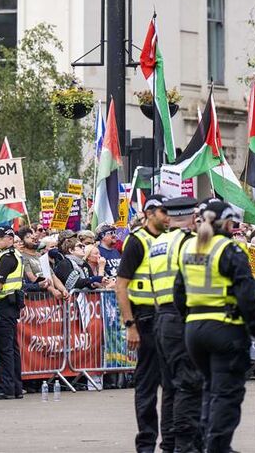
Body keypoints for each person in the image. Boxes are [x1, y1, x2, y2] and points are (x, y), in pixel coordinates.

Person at [174, 199, 255, 453]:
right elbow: (247, 296)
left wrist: (189, 317)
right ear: (226, 222)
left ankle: (205, 443)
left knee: (209, 389)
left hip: (194, 329)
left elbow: (179, 292)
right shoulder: (229, 250)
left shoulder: (188, 247)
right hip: (225, 328)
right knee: (227, 394)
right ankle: (217, 446)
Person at [114, 194, 175, 453]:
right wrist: (130, 325)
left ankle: (171, 442)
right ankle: (147, 443)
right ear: (150, 213)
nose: (168, 216)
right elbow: (121, 285)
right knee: (148, 385)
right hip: (146, 318)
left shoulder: (172, 240)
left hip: (169, 318)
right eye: (163, 211)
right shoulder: (137, 242)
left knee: (173, 384)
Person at [153, 196, 206, 453]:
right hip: (181, 316)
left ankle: (170, 444)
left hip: (161, 317)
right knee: (189, 384)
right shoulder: (188, 243)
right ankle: (186, 445)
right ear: (193, 215)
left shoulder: (159, 242)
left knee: (171, 388)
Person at [0, 226, 24, 399]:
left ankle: (5, 388)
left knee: (4, 349)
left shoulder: (6, 258)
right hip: (10, 304)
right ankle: (15, 388)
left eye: (1, 238)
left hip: (5, 304)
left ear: (10, 239)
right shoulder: (15, 255)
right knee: (11, 348)